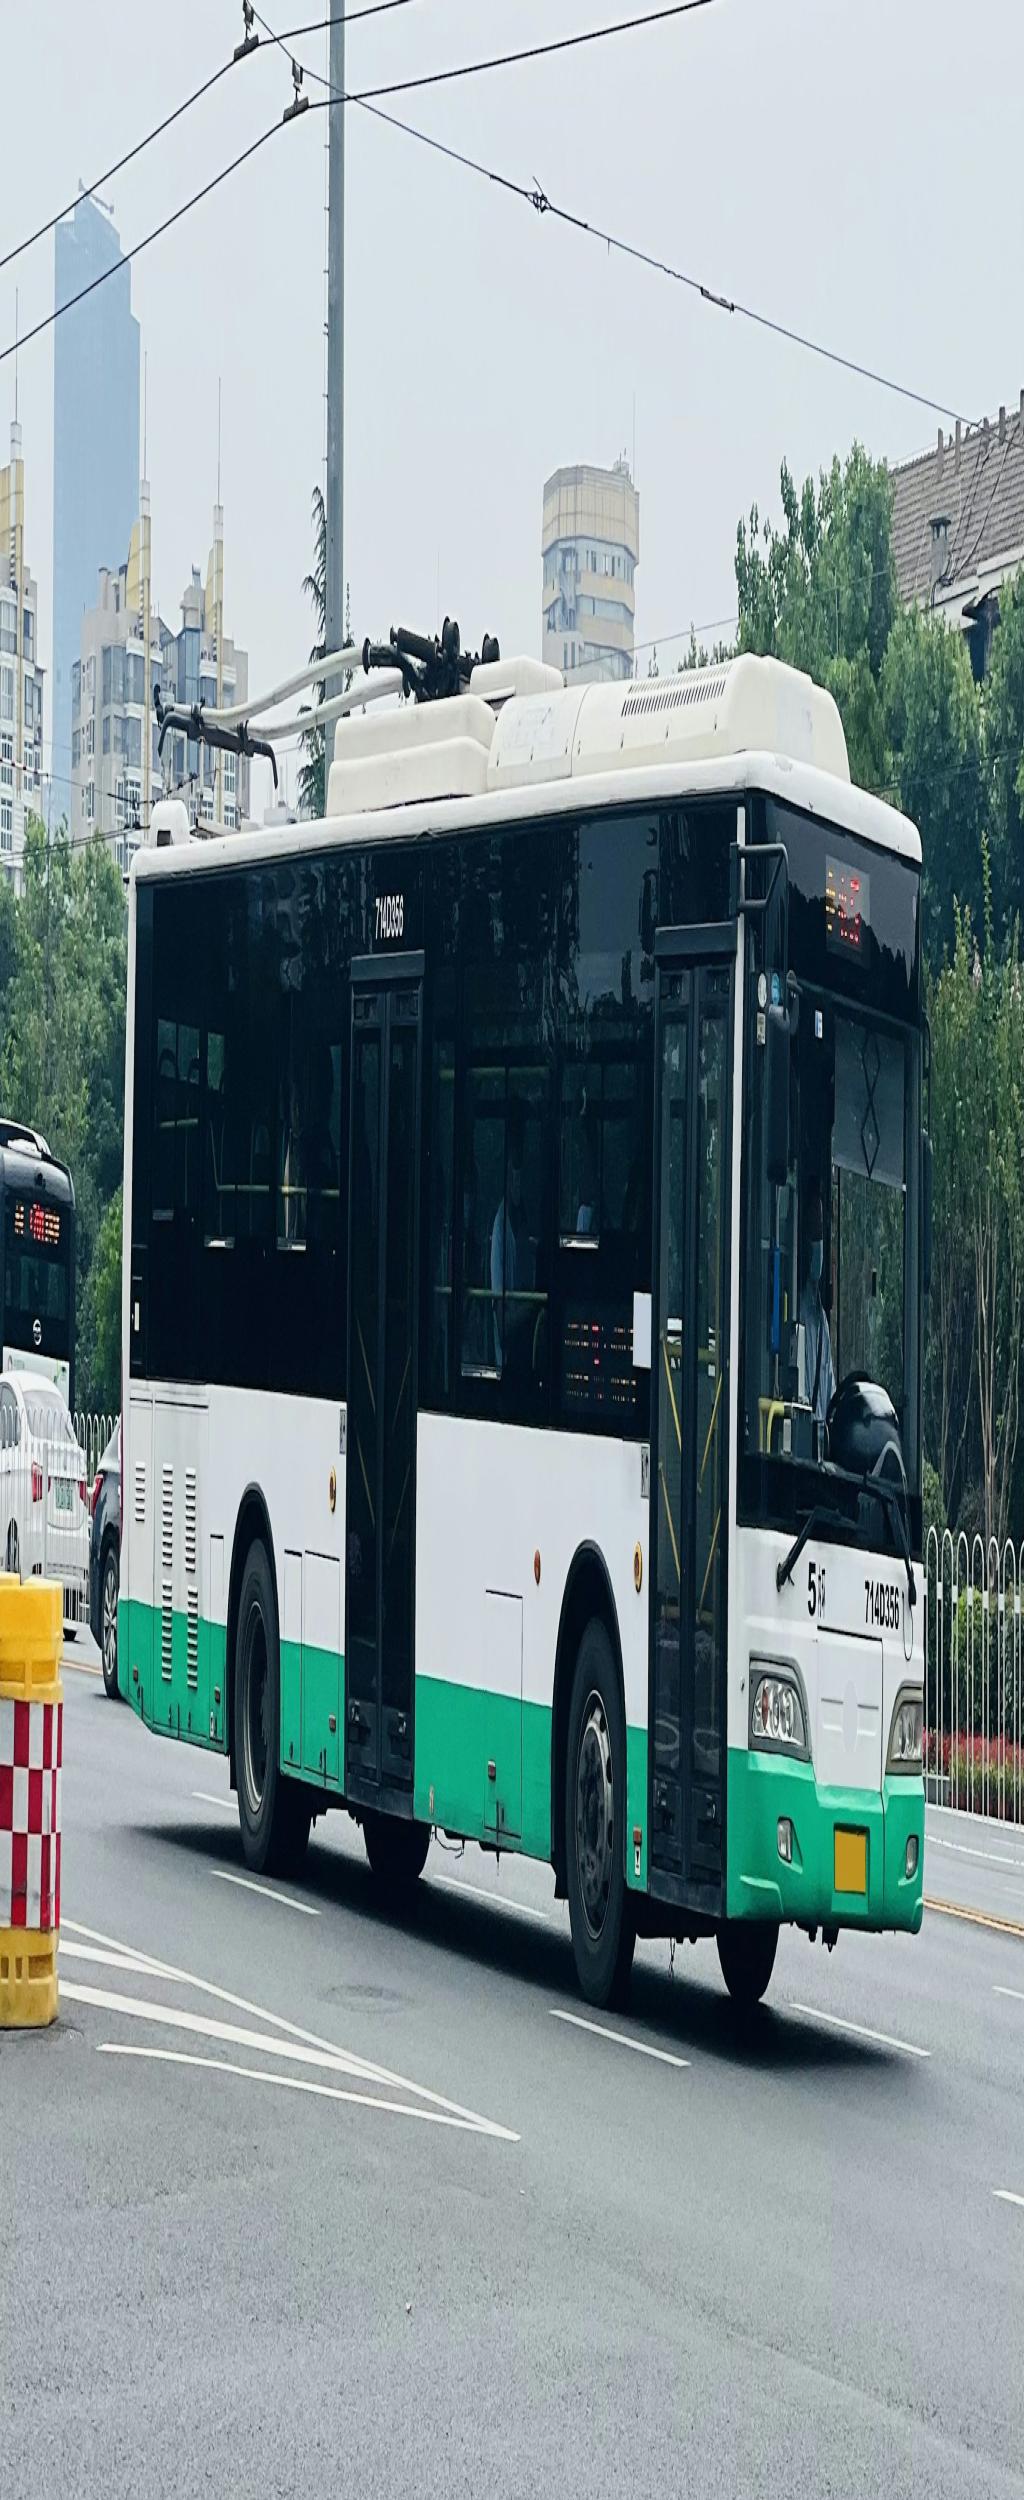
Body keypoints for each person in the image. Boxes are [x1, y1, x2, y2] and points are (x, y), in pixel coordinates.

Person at [490, 1099, 533, 1370]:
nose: (518, 1177)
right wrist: (537, 1304)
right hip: (509, 1364)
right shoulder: (500, 1230)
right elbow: (502, 1323)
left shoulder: (525, 1223)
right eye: (513, 1170)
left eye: (521, 1168)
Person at [799, 1178, 835, 1429]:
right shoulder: (794, 1309)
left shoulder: (819, 1315)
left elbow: (829, 1388)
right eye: (815, 1233)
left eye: (821, 1233)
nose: (819, 1242)